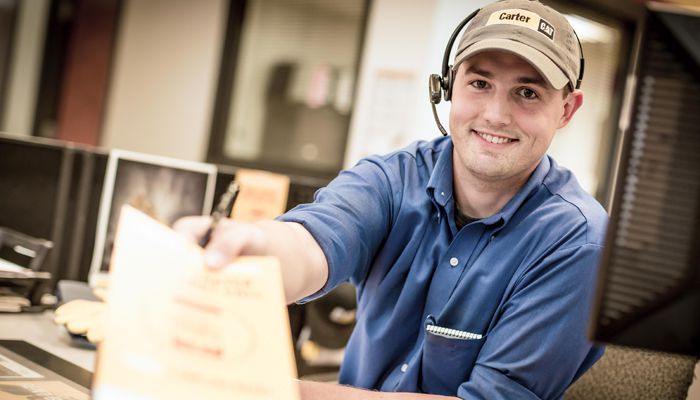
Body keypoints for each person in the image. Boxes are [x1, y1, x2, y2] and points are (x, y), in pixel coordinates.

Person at [175, 0, 608, 398]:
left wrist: (264, 390)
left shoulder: (577, 242)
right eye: (479, 83)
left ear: (568, 109)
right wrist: (253, 250)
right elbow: (315, 240)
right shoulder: (394, 178)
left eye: (527, 92)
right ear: (447, 87)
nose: (495, 114)